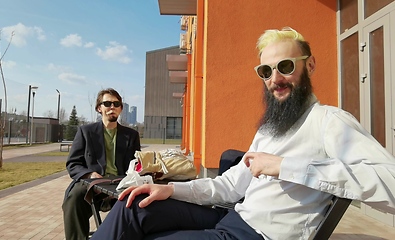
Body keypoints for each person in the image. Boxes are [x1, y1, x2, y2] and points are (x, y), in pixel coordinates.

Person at [90, 28, 395, 240]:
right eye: (265, 71)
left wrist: (285, 166)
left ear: (310, 65)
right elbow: (229, 187)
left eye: (285, 66)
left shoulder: (330, 122)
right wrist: (171, 190)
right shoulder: (271, 127)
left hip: (257, 234)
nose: (275, 79)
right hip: (231, 216)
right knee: (133, 207)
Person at [62, 88, 141, 240]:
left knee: (140, 201)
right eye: (107, 103)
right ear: (99, 108)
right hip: (92, 184)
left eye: (116, 104)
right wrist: (90, 174)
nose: (112, 107)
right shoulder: (85, 131)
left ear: (121, 108)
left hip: (120, 184)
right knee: (73, 200)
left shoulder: (131, 135)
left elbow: (136, 164)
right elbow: (73, 164)